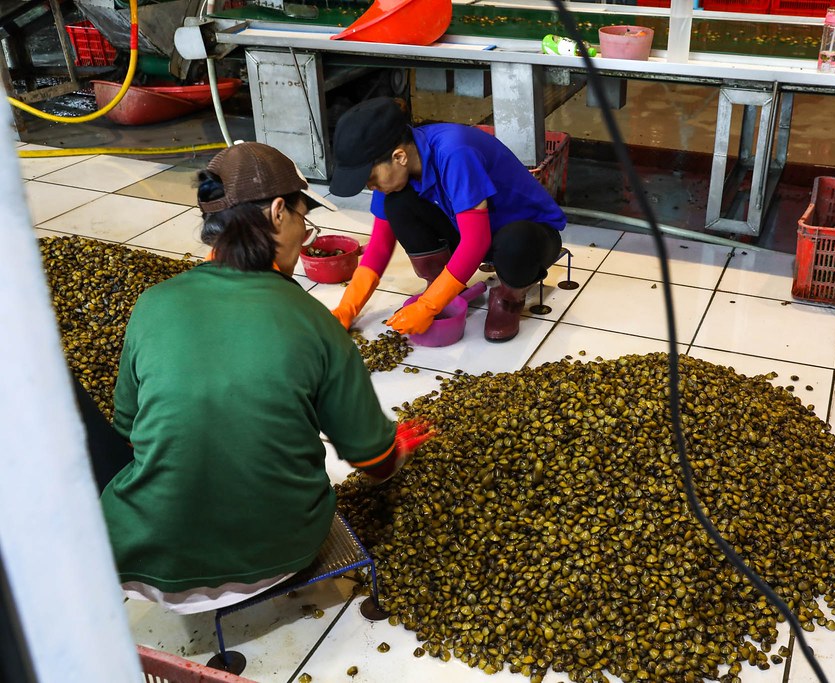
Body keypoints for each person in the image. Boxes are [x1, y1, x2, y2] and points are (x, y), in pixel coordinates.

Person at [83, 142, 431, 614]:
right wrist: (398, 453)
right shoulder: (313, 323)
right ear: (278, 211)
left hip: (143, 561)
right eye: (305, 219)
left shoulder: (153, 303)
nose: (306, 232)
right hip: (276, 557)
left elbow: (126, 436)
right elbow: (373, 459)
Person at [328, 97, 567, 342]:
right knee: (397, 204)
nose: (371, 187)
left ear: (399, 157)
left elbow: (477, 241)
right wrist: (347, 308)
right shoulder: (398, 170)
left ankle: (509, 298)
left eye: (371, 179)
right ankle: (443, 286)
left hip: (529, 235)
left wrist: (428, 306)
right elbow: (379, 245)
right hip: (469, 229)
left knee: (515, 242)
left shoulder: (455, 152)